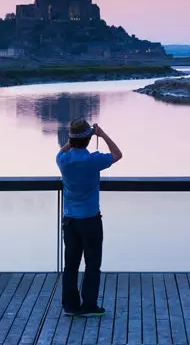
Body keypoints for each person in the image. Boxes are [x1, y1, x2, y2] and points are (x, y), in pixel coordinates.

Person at [56, 119, 123, 317]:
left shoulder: (62, 160)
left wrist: (78, 136)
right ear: (87, 139)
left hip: (70, 221)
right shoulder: (93, 160)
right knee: (92, 263)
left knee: (71, 265)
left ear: (70, 138)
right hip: (91, 219)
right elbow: (118, 154)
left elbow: (65, 149)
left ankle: (70, 306)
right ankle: (89, 306)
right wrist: (100, 134)